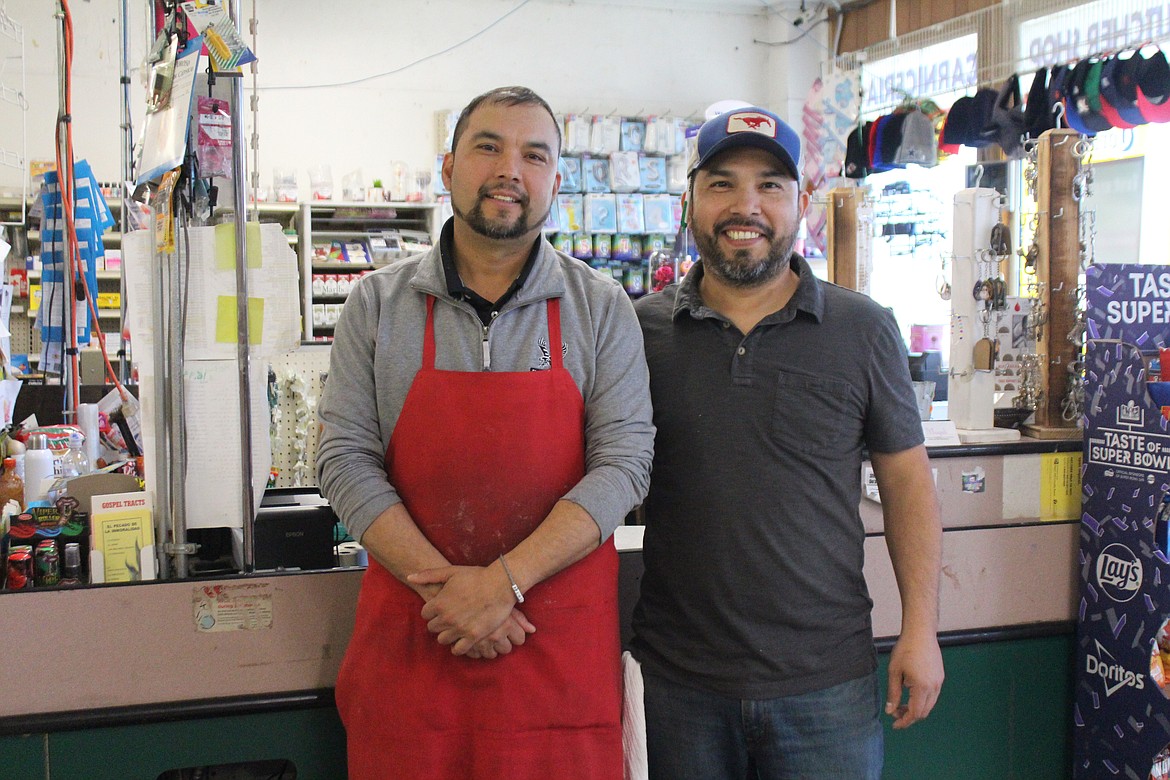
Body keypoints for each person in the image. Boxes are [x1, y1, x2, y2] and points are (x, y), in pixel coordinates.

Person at [316, 86, 654, 780]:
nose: (510, 170)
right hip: (417, 644)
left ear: (555, 183)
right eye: (488, 147)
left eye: (534, 155)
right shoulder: (377, 305)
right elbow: (344, 458)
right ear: (447, 168)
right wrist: (452, 595)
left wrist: (505, 583)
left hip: (555, 658)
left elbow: (624, 463)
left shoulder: (601, 308)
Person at [630, 105, 944, 779]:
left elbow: (908, 485)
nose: (746, 206)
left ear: (802, 202)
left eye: (770, 185)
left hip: (826, 684)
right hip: (678, 682)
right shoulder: (638, 332)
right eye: (722, 184)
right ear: (690, 200)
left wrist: (921, 627)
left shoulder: (862, 328)